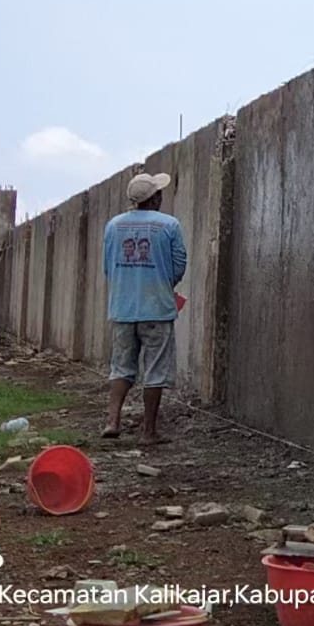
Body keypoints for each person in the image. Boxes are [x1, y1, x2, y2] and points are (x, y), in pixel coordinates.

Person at [101, 172, 187, 444]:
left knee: (121, 367)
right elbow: (179, 265)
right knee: (155, 371)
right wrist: (162, 283)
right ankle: (148, 431)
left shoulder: (113, 226)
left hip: (122, 309)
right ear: (155, 198)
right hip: (157, 309)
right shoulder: (169, 225)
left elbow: (108, 267)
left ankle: (112, 421)